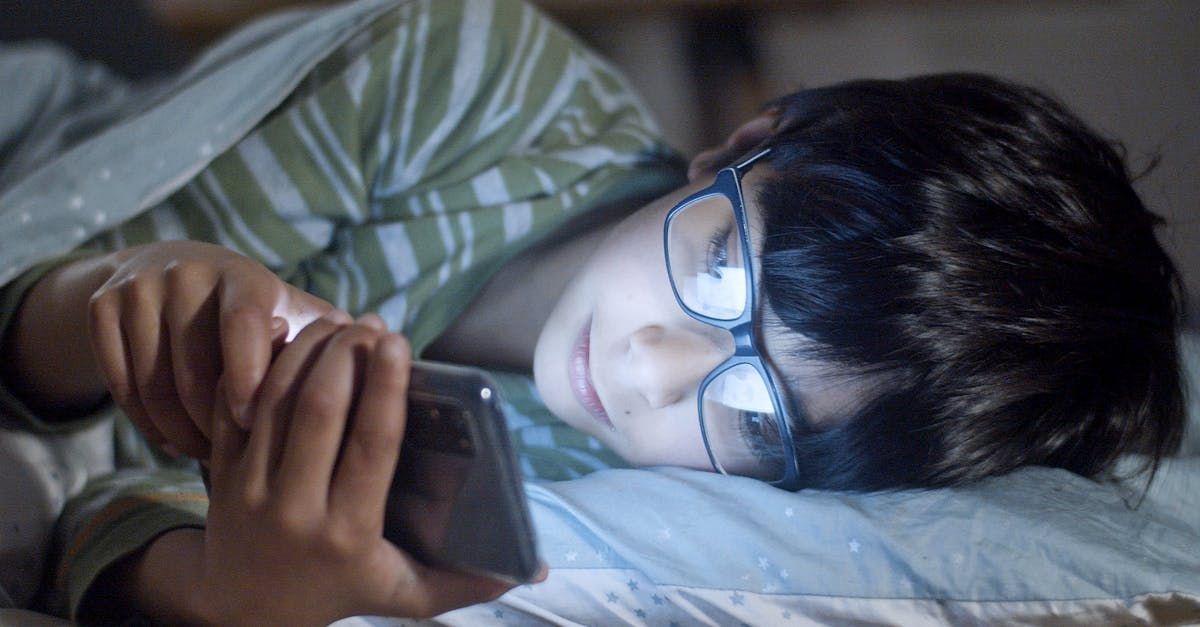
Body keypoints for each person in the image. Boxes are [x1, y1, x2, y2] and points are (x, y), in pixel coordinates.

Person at [0, 0, 1184, 623]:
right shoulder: (459, 78)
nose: (652, 369)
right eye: (722, 270)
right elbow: (58, 246)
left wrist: (227, 596)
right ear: (743, 142)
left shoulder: (600, 488)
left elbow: (101, 505)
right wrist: (105, 298)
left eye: (759, 417)